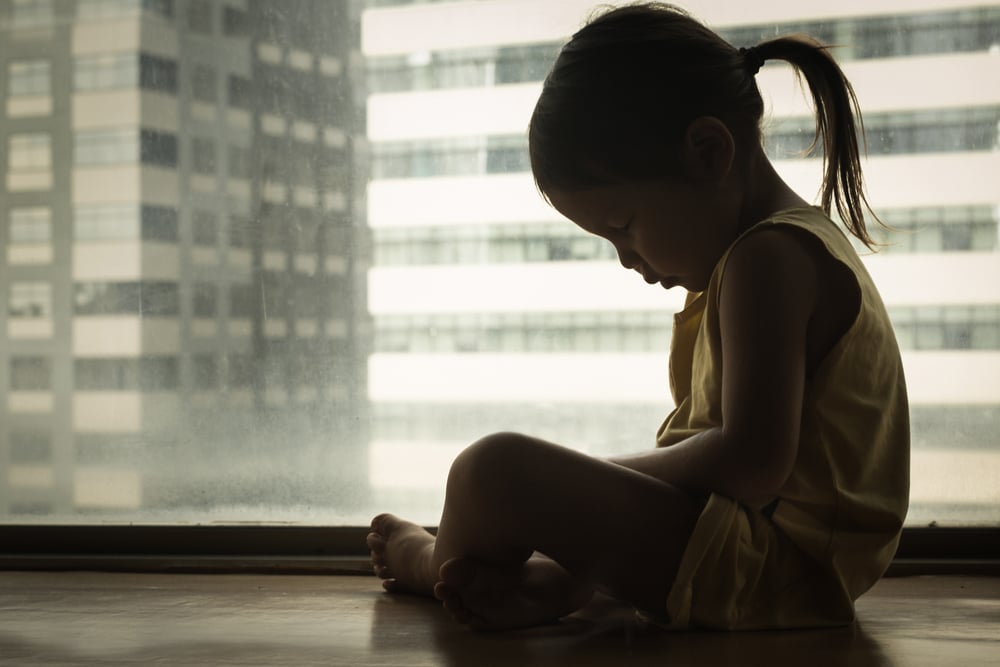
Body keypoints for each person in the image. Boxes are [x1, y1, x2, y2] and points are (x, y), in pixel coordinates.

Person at [367, 1, 909, 631]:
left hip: (769, 567)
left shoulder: (769, 258)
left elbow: (753, 463)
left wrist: (599, 475)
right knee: (547, 482)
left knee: (489, 471)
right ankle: (566, 586)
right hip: (771, 560)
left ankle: (430, 559)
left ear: (708, 152)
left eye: (624, 227)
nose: (626, 259)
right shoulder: (782, 249)